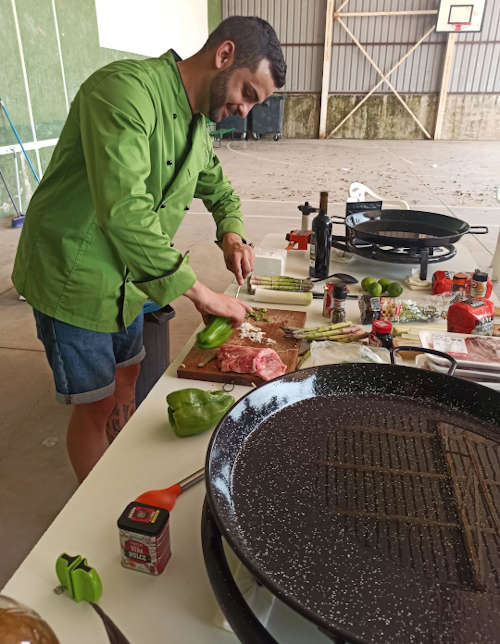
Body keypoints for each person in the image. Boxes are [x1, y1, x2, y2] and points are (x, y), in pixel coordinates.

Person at [12, 16, 286, 482]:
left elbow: (219, 190)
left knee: (127, 379)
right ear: (224, 56)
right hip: (74, 276)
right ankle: (97, 503)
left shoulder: (199, 126)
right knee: (93, 404)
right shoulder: (124, 92)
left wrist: (232, 235)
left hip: (133, 277)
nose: (245, 111)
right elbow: (124, 211)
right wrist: (200, 292)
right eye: (247, 94)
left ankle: (119, 465)